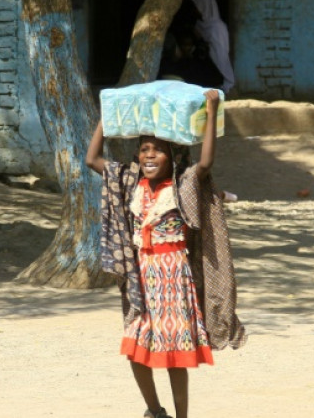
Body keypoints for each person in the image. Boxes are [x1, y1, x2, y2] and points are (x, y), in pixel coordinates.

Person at [86, 89, 246, 418]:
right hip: (142, 277)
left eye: (157, 151)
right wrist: (107, 115)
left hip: (173, 279)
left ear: (172, 158)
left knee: (175, 354)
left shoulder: (183, 184)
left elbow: (205, 162)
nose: (149, 156)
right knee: (136, 349)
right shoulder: (130, 182)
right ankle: (155, 411)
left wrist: (212, 109)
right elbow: (92, 160)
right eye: (144, 149)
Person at [190, 0, 236, 94]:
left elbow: (221, 56)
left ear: (204, 5)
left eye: (197, 6)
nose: (195, 10)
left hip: (216, 72)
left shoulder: (218, 28)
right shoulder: (199, 25)